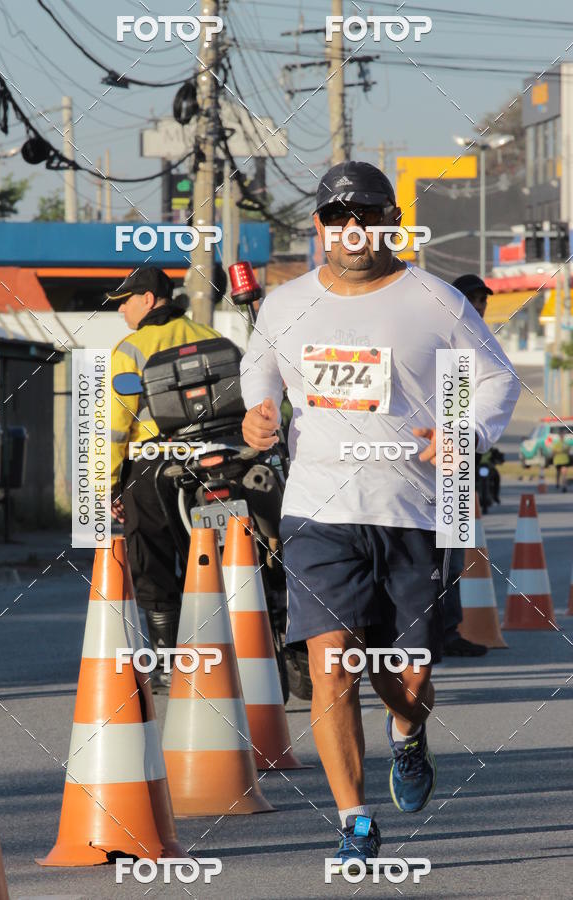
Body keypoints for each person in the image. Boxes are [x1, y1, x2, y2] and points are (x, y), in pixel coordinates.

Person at [240, 161, 521, 873]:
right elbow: (260, 367)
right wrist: (258, 411)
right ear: (320, 227)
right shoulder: (286, 303)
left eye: (366, 214)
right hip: (319, 508)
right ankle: (353, 821)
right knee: (331, 666)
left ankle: (407, 732)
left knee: (410, 675)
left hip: (414, 510)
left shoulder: (433, 300)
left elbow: (497, 379)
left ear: (390, 221)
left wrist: (465, 432)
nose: (352, 228)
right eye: (337, 217)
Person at [108, 266, 220, 690]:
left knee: (150, 559)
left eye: (126, 300)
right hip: (211, 462)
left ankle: (169, 661)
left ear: (150, 299)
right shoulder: (211, 338)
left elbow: (116, 425)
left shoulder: (131, 348)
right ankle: (224, 652)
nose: (122, 309)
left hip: (152, 464)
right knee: (212, 557)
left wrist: (109, 485)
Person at [441, 273, 498, 657]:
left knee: (452, 549)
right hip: (438, 462)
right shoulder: (448, 346)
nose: (478, 306)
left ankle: (446, 629)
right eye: (471, 299)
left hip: (461, 463)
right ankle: (436, 631)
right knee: (436, 552)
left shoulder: (481, 347)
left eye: (482, 300)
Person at [552, 427, 570, 491]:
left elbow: (568, 451)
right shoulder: (556, 444)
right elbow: (553, 452)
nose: (562, 437)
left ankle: (564, 486)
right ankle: (557, 483)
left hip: (564, 460)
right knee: (558, 473)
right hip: (558, 461)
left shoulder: (566, 444)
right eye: (561, 436)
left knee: (564, 474)